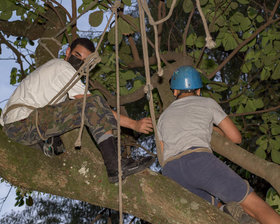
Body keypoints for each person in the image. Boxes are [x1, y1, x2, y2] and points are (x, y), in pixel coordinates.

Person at [0, 38, 154, 184]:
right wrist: (134, 124)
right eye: (76, 55)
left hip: (20, 127)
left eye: (84, 61)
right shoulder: (62, 67)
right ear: (67, 52)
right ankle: (116, 165)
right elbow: (94, 106)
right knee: (94, 102)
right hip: (23, 123)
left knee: (77, 113)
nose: (79, 62)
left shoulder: (53, 80)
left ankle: (51, 145)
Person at [157, 65, 280, 224]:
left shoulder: (163, 117)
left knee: (214, 210)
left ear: (174, 91)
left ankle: (227, 210)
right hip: (198, 161)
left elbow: (162, 152)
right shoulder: (207, 103)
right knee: (253, 204)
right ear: (198, 90)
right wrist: (211, 127)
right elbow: (236, 137)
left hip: (171, 172)